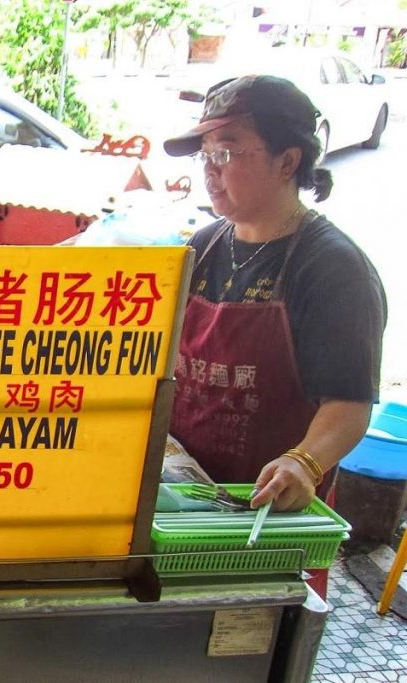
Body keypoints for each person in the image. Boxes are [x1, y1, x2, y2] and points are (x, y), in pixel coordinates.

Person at [163, 75, 386, 513]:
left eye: (225, 152)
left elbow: (349, 403)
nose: (210, 168)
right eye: (205, 155)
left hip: (267, 510)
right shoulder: (203, 245)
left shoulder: (332, 268)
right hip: (183, 499)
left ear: (287, 162)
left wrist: (304, 461)